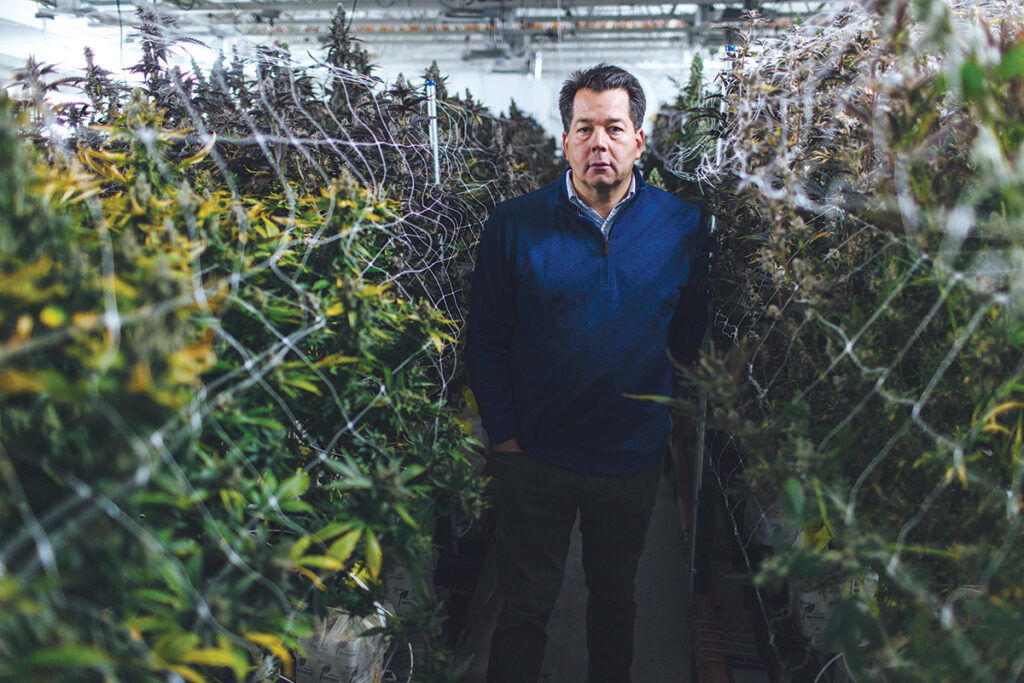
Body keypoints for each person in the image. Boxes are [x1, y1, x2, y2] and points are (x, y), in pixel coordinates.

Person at [465, 63, 708, 683]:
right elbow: (486, 341)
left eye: (614, 127)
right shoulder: (513, 225)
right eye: (584, 128)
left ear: (639, 140)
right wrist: (505, 440)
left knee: (614, 602)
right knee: (524, 607)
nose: (599, 142)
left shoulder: (680, 225)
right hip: (537, 457)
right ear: (565, 139)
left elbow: (687, 336)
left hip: (628, 460)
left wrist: (657, 423)